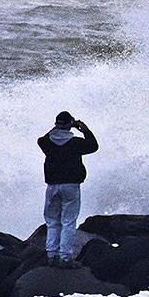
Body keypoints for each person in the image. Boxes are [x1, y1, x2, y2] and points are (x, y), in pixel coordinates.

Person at [37, 111, 98, 267]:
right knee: (68, 221)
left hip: (52, 186)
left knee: (52, 221)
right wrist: (83, 129)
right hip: (71, 185)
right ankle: (65, 257)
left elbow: (41, 140)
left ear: (56, 125)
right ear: (70, 125)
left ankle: (51, 255)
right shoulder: (76, 142)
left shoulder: (48, 143)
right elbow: (93, 145)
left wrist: (56, 127)